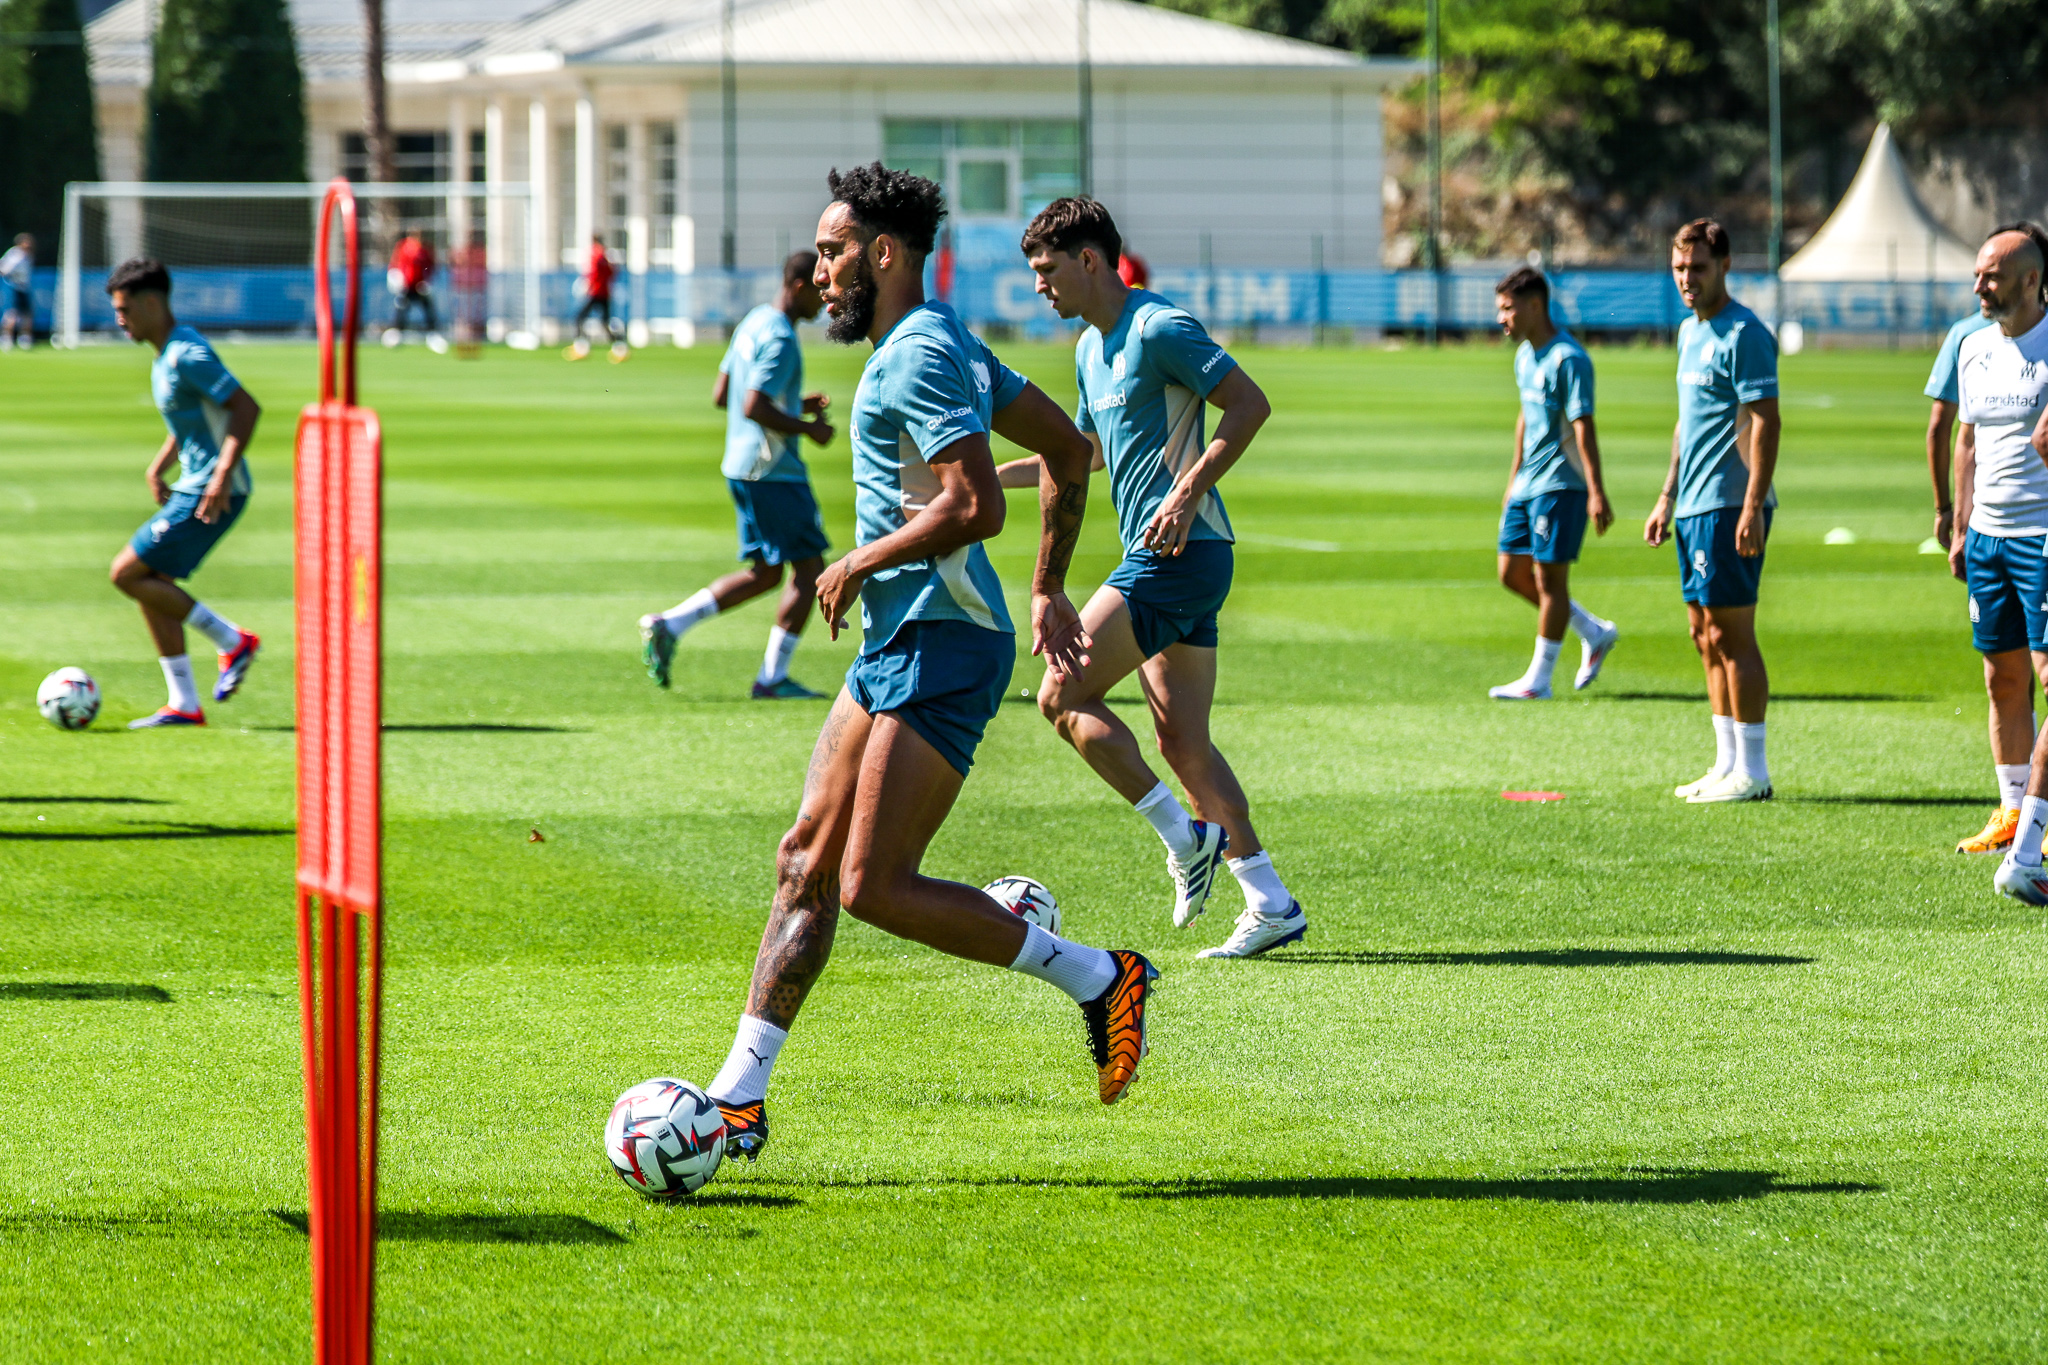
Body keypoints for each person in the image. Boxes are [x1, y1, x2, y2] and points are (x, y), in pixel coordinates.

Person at [700, 165, 1157, 1162]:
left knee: (870, 884)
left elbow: (972, 504)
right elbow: (1069, 454)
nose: (817, 271)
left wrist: (859, 561)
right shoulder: (942, 337)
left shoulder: (912, 354)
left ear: (880, 254)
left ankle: (1097, 977)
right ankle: (739, 1094)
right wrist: (1042, 586)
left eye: (829, 251)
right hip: (900, 642)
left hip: (940, 646)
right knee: (802, 861)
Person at [999, 196, 1307, 959]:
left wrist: (1188, 487)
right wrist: (976, 478)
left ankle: (1183, 836)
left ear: (1091, 261)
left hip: (1179, 554)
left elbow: (1248, 403)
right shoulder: (1087, 349)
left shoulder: (1157, 328)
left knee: (1061, 692)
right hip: (1171, 557)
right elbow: (1082, 455)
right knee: (1183, 741)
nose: (1040, 287)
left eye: (1047, 271)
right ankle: (1270, 901)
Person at [640, 250, 836, 699]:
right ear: (799, 285)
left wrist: (792, 402)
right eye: (820, 286)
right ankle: (772, 678)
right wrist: (809, 428)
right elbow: (752, 404)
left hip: (740, 465)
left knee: (766, 572)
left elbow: (723, 393)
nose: (826, 297)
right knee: (809, 572)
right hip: (773, 471)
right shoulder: (783, 337)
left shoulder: (753, 322)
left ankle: (671, 624)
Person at [1643, 219, 1781, 803]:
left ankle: (1754, 771)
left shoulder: (1745, 332)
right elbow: (1686, 422)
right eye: (1679, 268)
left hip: (1730, 503)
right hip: (1693, 504)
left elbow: (1767, 421)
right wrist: (1666, 495)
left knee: (1732, 633)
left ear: (1724, 265)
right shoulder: (1687, 333)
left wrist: (1752, 504)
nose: (1686, 280)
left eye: (1697, 268)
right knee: (1703, 634)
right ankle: (1725, 763)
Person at [102, 259, 262, 729]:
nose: (119, 319)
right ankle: (183, 704)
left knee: (126, 573)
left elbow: (245, 407)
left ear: (152, 303)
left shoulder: (187, 353)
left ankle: (233, 641)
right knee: (151, 584)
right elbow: (191, 419)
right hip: (194, 483)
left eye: (125, 309)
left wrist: (220, 476)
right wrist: (160, 464)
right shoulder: (165, 353)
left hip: (214, 490)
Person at [1486, 266, 1619, 700]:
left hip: (1562, 483)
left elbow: (1584, 425)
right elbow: (1525, 419)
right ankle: (1592, 631)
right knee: (1511, 573)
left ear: (1535, 306)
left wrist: (1596, 490)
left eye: (1508, 309)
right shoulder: (1525, 355)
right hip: (1527, 484)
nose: (1502, 318)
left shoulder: (1570, 358)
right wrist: (1511, 479)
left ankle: (1538, 681)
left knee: (1550, 581)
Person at [1932, 263, 2024, 853]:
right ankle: (2017, 812)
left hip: (2040, 538)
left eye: (1993, 274)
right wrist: (1957, 520)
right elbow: (1959, 436)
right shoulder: (1971, 345)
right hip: (1989, 539)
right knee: (2000, 677)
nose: (1979, 287)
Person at [566, 236, 626, 362]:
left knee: (579, 317)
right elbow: (612, 272)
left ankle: (580, 347)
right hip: (604, 292)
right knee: (604, 321)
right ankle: (619, 346)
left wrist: (589, 284)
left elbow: (593, 272)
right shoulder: (606, 254)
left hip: (594, 292)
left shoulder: (595, 254)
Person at [383, 230, 441, 348]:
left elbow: (430, 266)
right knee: (401, 309)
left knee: (428, 309)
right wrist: (396, 277)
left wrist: (427, 281)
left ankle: (432, 334)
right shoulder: (403, 247)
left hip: (420, 286)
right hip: (406, 286)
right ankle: (395, 333)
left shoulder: (425, 249)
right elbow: (396, 263)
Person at [0, 233, 34, 349]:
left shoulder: (27, 255)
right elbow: (4, 269)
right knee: (12, 313)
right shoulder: (15, 255)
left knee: (26, 314)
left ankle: (24, 338)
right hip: (14, 287)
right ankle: (6, 338)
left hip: (25, 287)